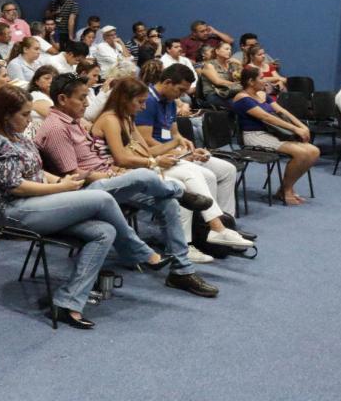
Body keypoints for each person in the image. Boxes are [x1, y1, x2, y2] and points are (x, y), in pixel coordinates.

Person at [0, 86, 185, 329]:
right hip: (15, 212)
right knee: (104, 198)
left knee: (105, 231)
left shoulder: (18, 136)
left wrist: (62, 182)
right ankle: (139, 251)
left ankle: (67, 303)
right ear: (5, 115)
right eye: (24, 114)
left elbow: (36, 172)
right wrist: (61, 188)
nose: (28, 119)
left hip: (38, 204)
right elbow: (16, 186)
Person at [34, 72, 218, 285]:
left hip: (106, 180)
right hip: (87, 191)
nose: (87, 103)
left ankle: (182, 272)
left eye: (87, 97)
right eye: (82, 98)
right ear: (63, 99)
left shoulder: (75, 122)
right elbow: (74, 176)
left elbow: (117, 156)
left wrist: (118, 171)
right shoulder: (57, 128)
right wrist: (114, 173)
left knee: (167, 204)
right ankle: (180, 194)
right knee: (144, 175)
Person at [93, 78, 252, 261]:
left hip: (135, 169)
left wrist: (175, 144)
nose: (143, 107)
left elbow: (147, 152)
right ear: (124, 99)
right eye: (140, 102)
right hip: (116, 175)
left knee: (192, 174)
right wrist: (154, 162)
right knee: (182, 181)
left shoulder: (127, 118)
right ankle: (211, 230)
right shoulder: (110, 119)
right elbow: (121, 159)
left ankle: (215, 228)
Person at [233, 67, 319, 205]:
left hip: (271, 133)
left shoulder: (262, 94)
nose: (265, 80)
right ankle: (286, 190)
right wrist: (295, 129)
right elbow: (266, 117)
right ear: (250, 81)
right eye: (261, 78)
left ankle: (283, 189)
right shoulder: (241, 98)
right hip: (254, 136)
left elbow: (282, 111)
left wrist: (302, 126)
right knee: (302, 154)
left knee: (314, 151)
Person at [198, 42, 242, 109]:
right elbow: (218, 81)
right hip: (214, 94)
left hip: (230, 92)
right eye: (226, 49)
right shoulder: (209, 65)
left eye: (230, 49)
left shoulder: (232, 64)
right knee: (238, 105)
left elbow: (242, 79)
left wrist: (240, 64)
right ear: (217, 51)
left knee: (248, 101)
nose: (229, 51)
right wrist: (236, 84)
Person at [26, 65, 57, 136]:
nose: (51, 81)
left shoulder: (54, 97)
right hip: (37, 138)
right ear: (37, 81)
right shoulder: (36, 95)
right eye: (47, 78)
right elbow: (59, 118)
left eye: (55, 78)